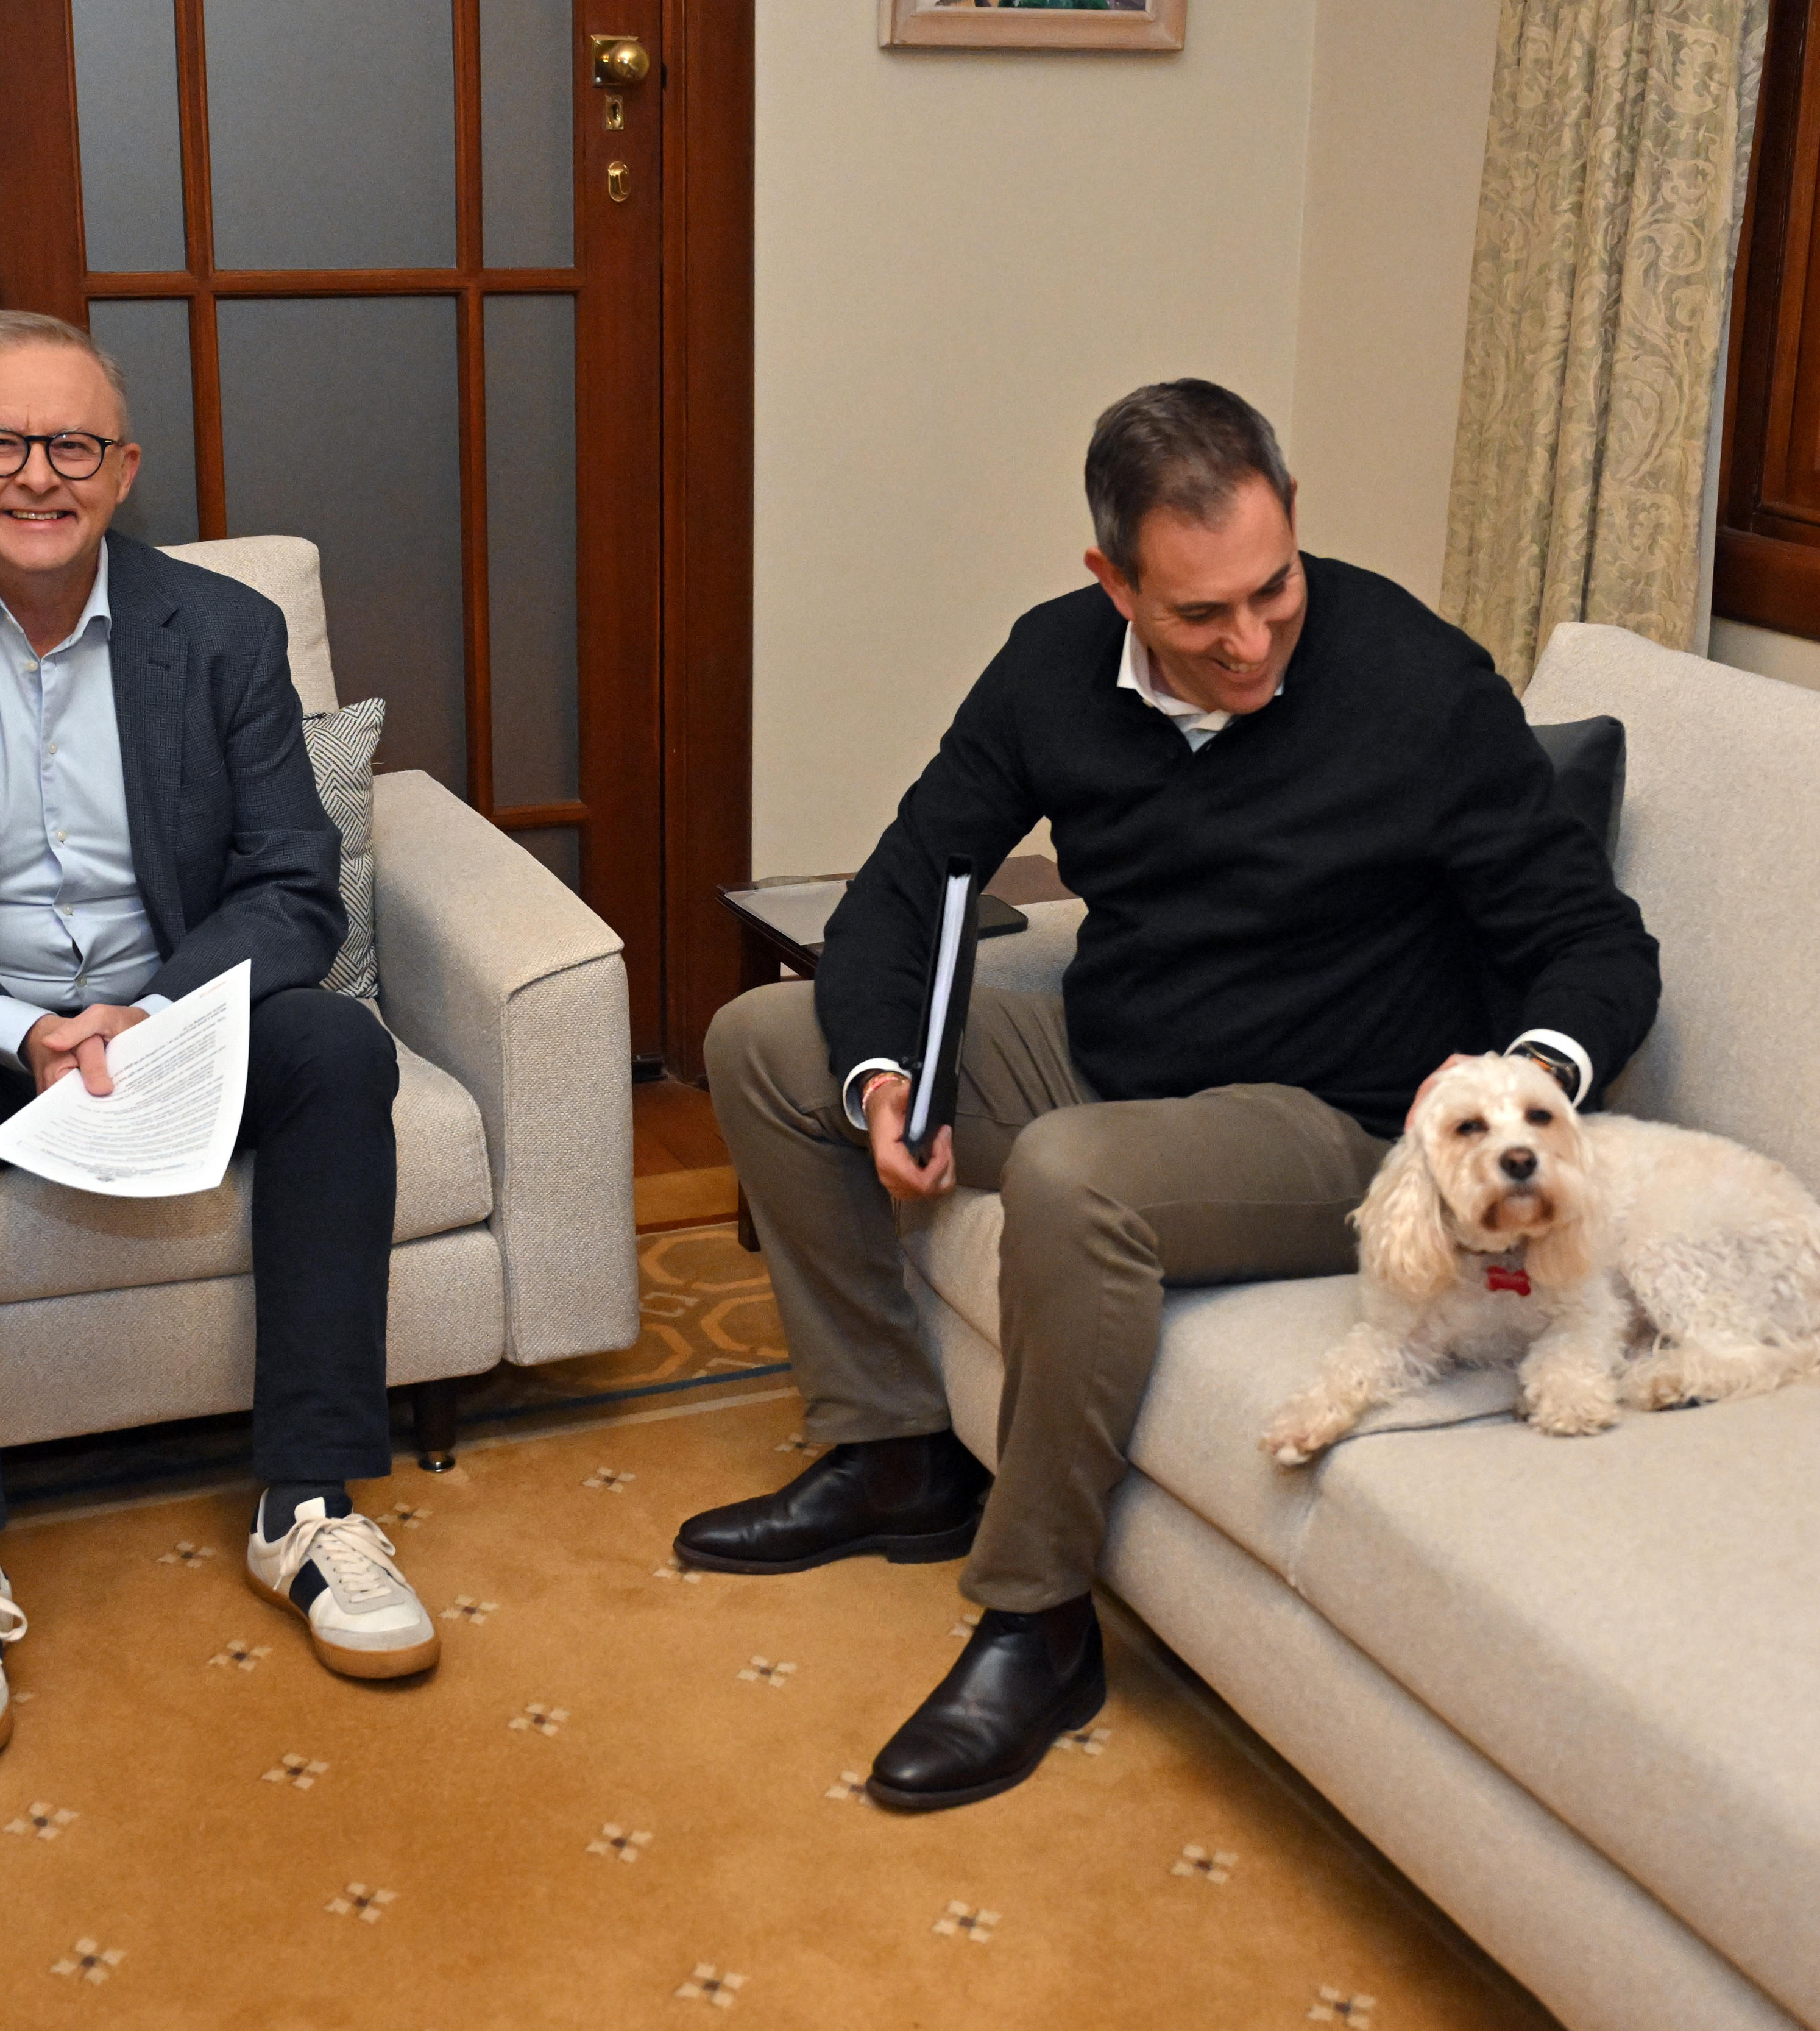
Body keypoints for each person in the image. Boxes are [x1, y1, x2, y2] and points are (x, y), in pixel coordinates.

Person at [679, 380, 1660, 1810]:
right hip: (1121, 1054)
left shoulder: (1417, 680)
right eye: (1203, 615)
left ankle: (1037, 1618)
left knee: (1074, 1173)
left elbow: (1593, 940)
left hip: (1333, 1117)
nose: (1250, 641)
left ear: (1293, 522)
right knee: (767, 1042)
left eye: (1274, 590)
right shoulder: (1051, 665)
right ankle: (891, 1450)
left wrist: (1519, 1091)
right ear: (1113, 582)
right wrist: (889, 1072)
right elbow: (907, 882)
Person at [0, 309, 434, 1770]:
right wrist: (23, 1026)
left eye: (72, 445)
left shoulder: (223, 629)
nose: (36, 475)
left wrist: (158, 1011)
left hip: (166, 1005)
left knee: (336, 1050)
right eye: (0, 440)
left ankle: (308, 1503)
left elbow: (292, 884)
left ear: (123, 470)